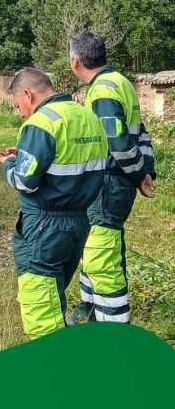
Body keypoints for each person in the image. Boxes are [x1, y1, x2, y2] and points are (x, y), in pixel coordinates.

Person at [0, 68, 107, 338]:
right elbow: (67, 160)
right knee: (55, 297)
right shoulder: (87, 116)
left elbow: (24, 181)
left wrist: (9, 163)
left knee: (41, 309)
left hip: (44, 226)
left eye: (18, 105)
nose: (20, 113)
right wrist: (26, 153)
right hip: (78, 222)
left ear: (28, 94)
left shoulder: (41, 123)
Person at [68, 31, 156, 324]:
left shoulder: (103, 90)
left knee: (101, 258)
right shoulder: (121, 83)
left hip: (107, 184)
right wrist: (145, 171)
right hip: (115, 184)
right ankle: (89, 312)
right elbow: (140, 132)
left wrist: (137, 174)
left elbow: (117, 142)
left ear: (75, 62)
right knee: (96, 249)